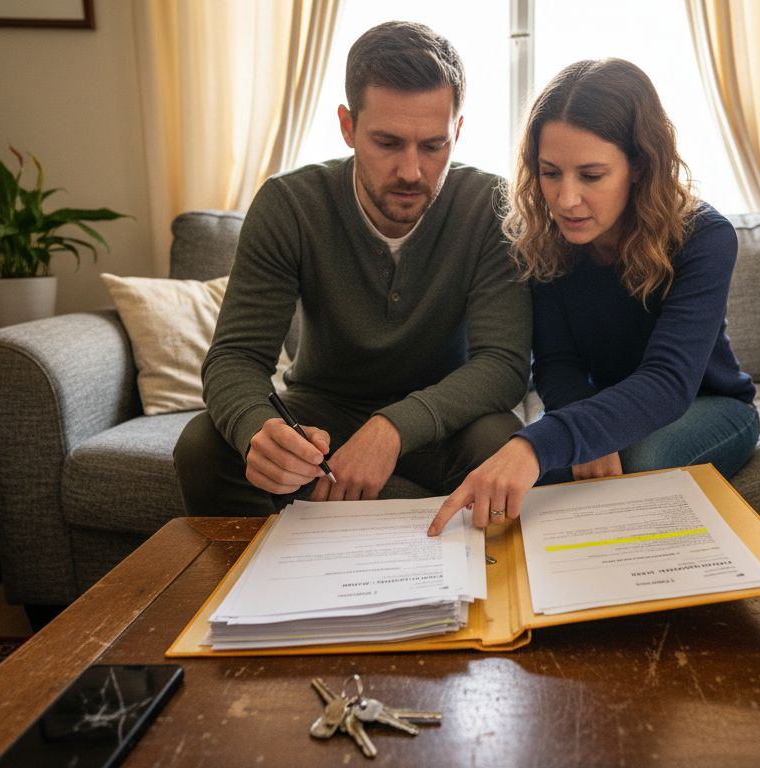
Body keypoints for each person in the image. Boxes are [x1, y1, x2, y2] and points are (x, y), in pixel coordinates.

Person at [174, 21, 531, 515]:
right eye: (387, 143)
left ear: (458, 130)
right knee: (202, 446)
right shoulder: (289, 204)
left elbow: (503, 365)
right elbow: (235, 356)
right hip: (324, 411)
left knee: (505, 445)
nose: (411, 171)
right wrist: (259, 430)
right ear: (347, 126)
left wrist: (391, 429)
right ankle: (270, 581)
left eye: (433, 145)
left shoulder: (491, 207)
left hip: (445, 419)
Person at [428, 58, 759, 535]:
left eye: (591, 175)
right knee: (549, 472)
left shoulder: (705, 238)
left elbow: (668, 382)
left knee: (634, 459)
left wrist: (549, 440)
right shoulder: (542, 235)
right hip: (598, 403)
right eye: (550, 173)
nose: (565, 200)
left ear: (640, 167)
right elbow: (557, 363)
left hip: (706, 405)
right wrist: (583, 429)